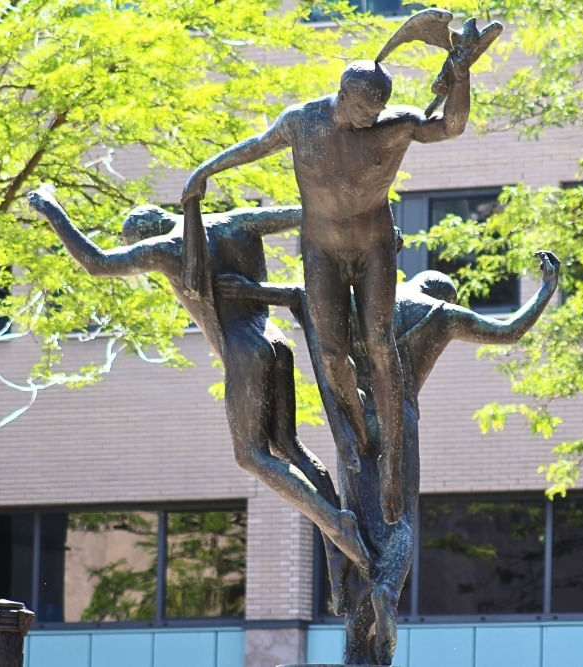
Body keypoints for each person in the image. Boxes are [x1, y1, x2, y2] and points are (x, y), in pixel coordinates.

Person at [219, 250, 560, 664]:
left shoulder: (374, 303)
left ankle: (356, 645)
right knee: (397, 520)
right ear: (445, 296)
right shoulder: (441, 315)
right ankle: (385, 592)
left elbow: (303, 295)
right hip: (399, 421)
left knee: (360, 522)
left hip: (354, 414)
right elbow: (509, 331)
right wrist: (545, 290)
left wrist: (251, 291)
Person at [181, 54, 474, 526]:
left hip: (375, 247)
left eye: (376, 112)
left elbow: (450, 126)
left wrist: (460, 76)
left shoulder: (395, 127)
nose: (369, 120)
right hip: (321, 251)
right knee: (334, 351)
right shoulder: (302, 122)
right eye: (362, 111)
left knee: (380, 346)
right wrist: (205, 172)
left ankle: (393, 466)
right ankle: (356, 432)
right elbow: (256, 145)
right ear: (343, 96)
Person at [26, 185, 371, 573]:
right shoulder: (234, 221)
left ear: (143, 235)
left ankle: (335, 523)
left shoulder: (166, 249)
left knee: (251, 456)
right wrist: (359, 222)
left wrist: (53, 211)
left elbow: (97, 262)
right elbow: (309, 212)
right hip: (275, 341)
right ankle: (337, 527)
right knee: (288, 445)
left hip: (244, 349)